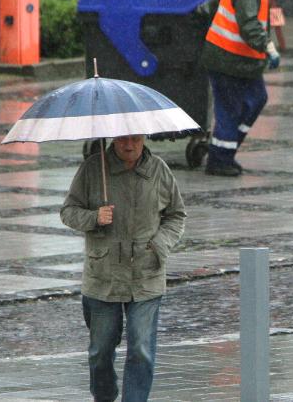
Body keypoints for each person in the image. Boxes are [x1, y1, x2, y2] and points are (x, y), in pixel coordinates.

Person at [60, 134, 186, 402]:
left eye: (135, 140)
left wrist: (160, 244)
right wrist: (94, 217)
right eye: (122, 140)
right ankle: (104, 397)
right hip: (103, 277)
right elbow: (68, 211)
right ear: (113, 140)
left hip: (146, 274)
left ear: (144, 139)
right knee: (100, 351)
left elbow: (176, 215)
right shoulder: (94, 169)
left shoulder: (158, 170)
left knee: (141, 349)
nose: (129, 146)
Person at [200, 0, 287, 177]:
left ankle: (224, 151)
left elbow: (217, 3)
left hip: (238, 60)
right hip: (228, 59)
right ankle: (219, 160)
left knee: (255, 100)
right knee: (231, 109)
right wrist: (267, 47)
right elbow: (248, 24)